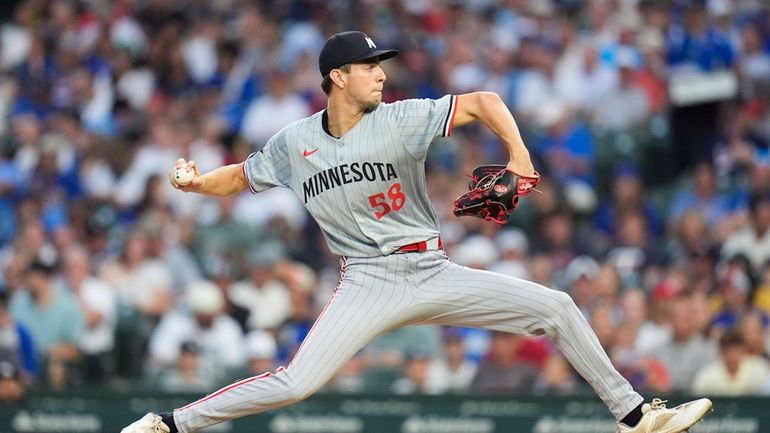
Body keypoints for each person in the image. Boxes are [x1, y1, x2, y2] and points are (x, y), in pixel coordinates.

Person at [122, 31, 712, 433]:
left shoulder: (401, 118)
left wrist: (520, 156)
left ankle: (636, 418)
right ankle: (168, 425)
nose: (381, 75)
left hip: (431, 269)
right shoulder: (293, 143)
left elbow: (483, 100)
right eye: (369, 67)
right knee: (296, 383)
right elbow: (241, 177)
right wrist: (197, 184)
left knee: (556, 306)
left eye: (382, 65)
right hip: (367, 281)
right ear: (337, 76)